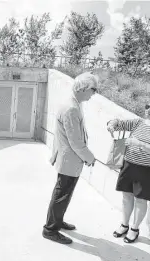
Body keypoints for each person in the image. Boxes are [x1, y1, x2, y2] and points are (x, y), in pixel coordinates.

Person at [107, 95, 150, 243]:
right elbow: (119, 123)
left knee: (140, 201)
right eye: (147, 106)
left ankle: (134, 228)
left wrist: (139, 144)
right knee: (126, 197)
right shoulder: (139, 122)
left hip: (148, 171)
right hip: (128, 165)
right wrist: (112, 124)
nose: (148, 110)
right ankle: (124, 224)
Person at [43, 72, 98, 244]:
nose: (94, 94)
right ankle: (50, 229)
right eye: (93, 90)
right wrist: (90, 158)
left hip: (70, 159)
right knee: (61, 194)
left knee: (64, 194)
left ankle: (57, 221)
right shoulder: (71, 108)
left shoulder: (73, 104)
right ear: (83, 88)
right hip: (70, 160)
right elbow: (75, 142)